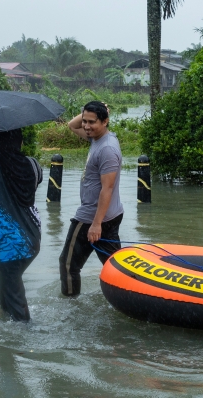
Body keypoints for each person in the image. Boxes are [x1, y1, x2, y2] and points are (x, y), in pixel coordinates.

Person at [0, 129, 43, 322]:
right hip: (32, 238)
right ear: (19, 143)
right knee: (6, 285)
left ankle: (23, 339)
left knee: (13, 293)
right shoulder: (32, 164)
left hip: (6, 242)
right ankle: (5, 326)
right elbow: (34, 185)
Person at [59, 101, 123, 296]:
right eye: (84, 121)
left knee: (68, 265)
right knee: (115, 266)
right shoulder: (98, 138)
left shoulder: (107, 149)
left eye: (91, 122)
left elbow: (107, 188)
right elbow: (72, 125)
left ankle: (70, 306)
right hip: (110, 214)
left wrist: (96, 224)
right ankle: (128, 296)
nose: (86, 126)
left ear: (105, 121)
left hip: (91, 217)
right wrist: (89, 112)